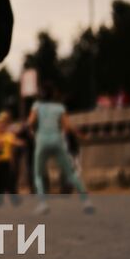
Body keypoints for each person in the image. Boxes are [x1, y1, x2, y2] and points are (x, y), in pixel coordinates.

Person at [28, 81, 93, 214]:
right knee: (70, 173)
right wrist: (83, 135)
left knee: (38, 174)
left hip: (42, 141)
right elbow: (68, 127)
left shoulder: (37, 106)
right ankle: (86, 202)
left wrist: (32, 131)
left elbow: (30, 122)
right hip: (57, 141)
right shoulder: (59, 107)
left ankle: (43, 203)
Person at [0, 112, 21, 206]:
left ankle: (14, 200)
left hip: (6, 162)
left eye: (3, 125)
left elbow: (15, 142)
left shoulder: (8, 135)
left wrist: (20, 143)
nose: (1, 126)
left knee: (9, 181)